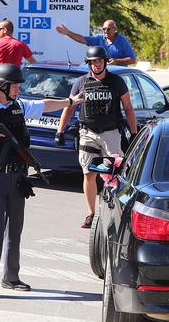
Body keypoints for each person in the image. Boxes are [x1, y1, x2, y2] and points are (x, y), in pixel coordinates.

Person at [0, 63, 83, 300]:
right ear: (2, 86)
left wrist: (70, 101)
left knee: (15, 230)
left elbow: (44, 105)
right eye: (15, 85)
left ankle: (11, 278)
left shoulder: (18, 106)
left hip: (17, 177)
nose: (19, 88)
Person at [54, 46, 138, 229]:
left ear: (105, 62)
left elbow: (129, 109)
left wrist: (134, 134)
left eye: (99, 61)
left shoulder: (117, 82)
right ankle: (91, 213)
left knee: (112, 175)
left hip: (110, 132)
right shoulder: (80, 83)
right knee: (89, 173)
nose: (97, 64)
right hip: (88, 132)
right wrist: (60, 131)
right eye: (93, 61)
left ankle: (114, 210)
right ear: (89, 63)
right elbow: (69, 107)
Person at [0, 19, 38, 91]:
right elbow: (33, 63)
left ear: (4, 30)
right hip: (14, 82)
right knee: (13, 101)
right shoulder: (21, 44)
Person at [55, 19, 136, 66]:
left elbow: (133, 59)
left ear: (114, 29)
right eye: (104, 29)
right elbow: (82, 39)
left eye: (108, 29)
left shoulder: (122, 40)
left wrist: (117, 61)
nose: (105, 31)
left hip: (119, 76)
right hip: (102, 75)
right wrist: (68, 33)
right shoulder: (99, 38)